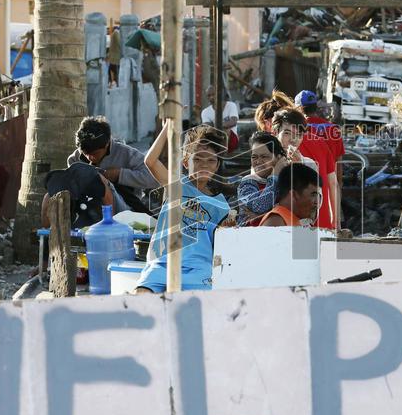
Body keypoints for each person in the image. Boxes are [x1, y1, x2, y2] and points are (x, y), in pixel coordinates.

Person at [135, 122, 231, 293]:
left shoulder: (221, 205)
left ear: (217, 166)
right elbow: (150, 161)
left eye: (210, 161)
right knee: (140, 296)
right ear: (186, 162)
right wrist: (167, 127)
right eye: (198, 159)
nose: (204, 165)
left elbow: (222, 247)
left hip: (199, 269)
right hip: (163, 264)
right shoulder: (176, 185)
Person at [68, 116, 159, 214]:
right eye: (85, 154)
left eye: (94, 154)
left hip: (126, 209)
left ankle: (109, 224)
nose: (90, 158)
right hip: (88, 206)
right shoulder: (74, 159)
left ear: (107, 144)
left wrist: (119, 175)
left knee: (102, 182)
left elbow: (154, 179)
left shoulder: (127, 154)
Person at [272, 109, 339, 229]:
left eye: (298, 135)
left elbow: (316, 204)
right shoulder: (264, 161)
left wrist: (300, 170)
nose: (293, 140)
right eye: (287, 133)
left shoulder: (310, 164)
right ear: (276, 132)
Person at [296, 90, 345, 228]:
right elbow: (338, 162)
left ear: (298, 108)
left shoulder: (297, 131)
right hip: (329, 188)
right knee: (331, 229)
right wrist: (338, 187)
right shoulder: (333, 129)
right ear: (316, 106)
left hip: (303, 190)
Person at [236, 131, 289, 226]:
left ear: (279, 158)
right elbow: (260, 206)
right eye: (254, 157)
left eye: (264, 157)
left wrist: (260, 215)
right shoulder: (247, 183)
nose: (258, 161)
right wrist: (274, 175)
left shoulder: (288, 182)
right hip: (249, 237)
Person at [200, 85, 240, 152]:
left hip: (231, 140)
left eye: (213, 94)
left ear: (219, 94)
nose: (211, 97)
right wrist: (220, 126)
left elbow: (233, 122)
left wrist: (217, 126)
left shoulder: (231, 105)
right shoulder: (205, 112)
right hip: (214, 139)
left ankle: (222, 154)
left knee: (225, 131)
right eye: (209, 95)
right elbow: (207, 127)